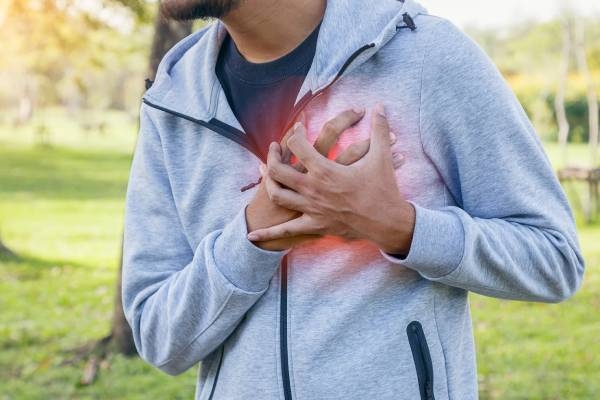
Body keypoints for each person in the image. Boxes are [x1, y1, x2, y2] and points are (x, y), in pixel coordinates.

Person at [121, 0, 586, 399]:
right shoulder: (174, 101)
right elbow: (159, 337)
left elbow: (554, 258)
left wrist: (399, 228)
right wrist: (255, 234)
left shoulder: (427, 57)